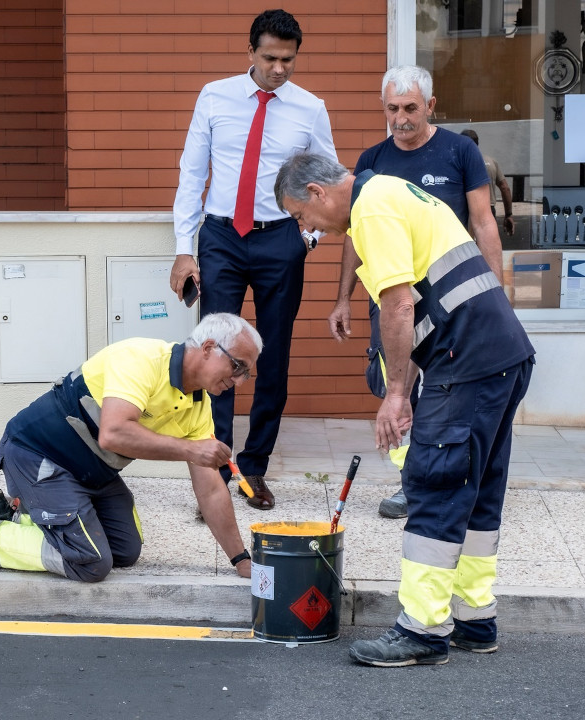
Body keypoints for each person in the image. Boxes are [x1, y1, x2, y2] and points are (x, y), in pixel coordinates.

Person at [276, 153, 535, 667]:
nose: (308, 229)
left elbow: (398, 305)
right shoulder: (392, 191)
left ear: (316, 192)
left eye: (300, 216)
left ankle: (422, 630)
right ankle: (474, 619)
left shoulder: (372, 208)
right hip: (499, 355)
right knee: (476, 490)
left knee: (435, 483)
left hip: (466, 361)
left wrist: (396, 394)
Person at [0, 313, 261, 582]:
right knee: (91, 561)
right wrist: (189, 450)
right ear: (207, 348)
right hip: (36, 454)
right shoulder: (142, 359)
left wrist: (240, 560)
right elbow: (112, 433)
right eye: (237, 366)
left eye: (247, 373)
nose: (240, 380)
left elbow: (213, 492)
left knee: (125, 550)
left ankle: (22, 513)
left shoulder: (197, 406)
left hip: (89, 472)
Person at [170, 9, 338, 511]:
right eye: (270, 58)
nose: (280, 69)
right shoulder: (214, 96)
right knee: (214, 353)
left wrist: (306, 242)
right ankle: (218, 470)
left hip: (278, 241)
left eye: (288, 59)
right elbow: (190, 174)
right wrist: (184, 248)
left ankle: (255, 469)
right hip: (222, 237)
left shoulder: (310, 108)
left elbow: (330, 184)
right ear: (250, 53)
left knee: (274, 356)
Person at [327, 65, 505, 521]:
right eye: (392, 109)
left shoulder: (460, 151)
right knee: (394, 385)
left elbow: (483, 222)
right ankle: (413, 481)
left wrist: (496, 293)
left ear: (430, 105)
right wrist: (344, 297)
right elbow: (352, 234)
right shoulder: (371, 159)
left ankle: (446, 477)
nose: (401, 119)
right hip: (391, 292)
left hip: (448, 298)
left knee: (449, 389)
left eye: (410, 108)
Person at [459, 129, 515, 236]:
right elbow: (505, 188)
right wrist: (508, 215)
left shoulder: (460, 162)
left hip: (467, 211)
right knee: (487, 245)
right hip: (488, 210)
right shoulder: (491, 161)